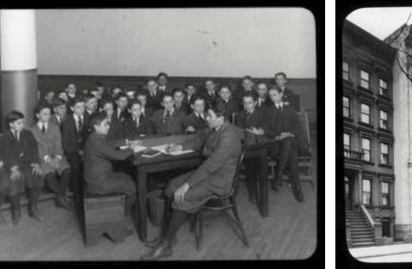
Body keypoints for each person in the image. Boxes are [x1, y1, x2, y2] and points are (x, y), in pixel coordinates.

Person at [141, 106, 243, 260]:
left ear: (221, 118)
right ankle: (168, 236)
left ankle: (166, 246)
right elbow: (200, 141)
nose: (206, 118)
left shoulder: (229, 135)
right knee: (171, 186)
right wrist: (180, 146)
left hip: (219, 180)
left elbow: (211, 165)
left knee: (184, 195)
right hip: (210, 174)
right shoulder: (217, 128)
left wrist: (188, 185)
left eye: (209, 115)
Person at [84, 114, 145, 227]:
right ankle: (118, 223)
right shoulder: (97, 141)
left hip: (98, 177)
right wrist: (133, 149)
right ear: (96, 127)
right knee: (133, 187)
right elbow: (119, 156)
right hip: (99, 183)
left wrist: (127, 143)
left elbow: (109, 145)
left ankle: (119, 216)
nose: (108, 126)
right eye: (105, 124)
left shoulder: (94, 137)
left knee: (128, 177)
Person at [262, 86, 306, 201]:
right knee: (291, 151)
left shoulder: (290, 109)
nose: (272, 97)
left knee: (289, 143)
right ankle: (298, 188)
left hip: (289, 143)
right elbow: (266, 130)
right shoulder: (267, 111)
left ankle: (278, 176)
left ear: (281, 94)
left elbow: (298, 128)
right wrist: (277, 135)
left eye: (275, 95)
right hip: (275, 145)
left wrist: (288, 134)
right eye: (270, 95)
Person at [0, 111, 44, 225]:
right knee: (15, 179)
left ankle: (33, 208)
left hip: (27, 164)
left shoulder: (28, 133)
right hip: (12, 166)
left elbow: (34, 150)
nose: (22, 125)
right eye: (19, 123)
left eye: (22, 123)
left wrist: (36, 163)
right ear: (11, 124)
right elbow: (5, 154)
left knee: (37, 175)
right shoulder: (5, 137)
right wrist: (13, 168)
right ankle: (16, 210)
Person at [27, 105, 74, 212]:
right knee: (49, 175)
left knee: (67, 170)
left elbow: (59, 145)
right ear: (37, 115)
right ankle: (62, 198)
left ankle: (60, 197)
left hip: (56, 156)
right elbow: (36, 149)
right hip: (42, 158)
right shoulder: (31, 130)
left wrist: (57, 158)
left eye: (49, 113)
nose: (48, 116)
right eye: (44, 114)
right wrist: (48, 159)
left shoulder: (55, 127)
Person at [62, 98, 90, 203]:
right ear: (72, 108)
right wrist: (79, 151)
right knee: (76, 166)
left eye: (83, 107)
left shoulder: (88, 118)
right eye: (78, 107)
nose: (81, 109)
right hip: (73, 151)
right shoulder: (67, 122)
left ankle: (89, 192)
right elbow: (66, 144)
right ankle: (78, 195)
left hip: (87, 149)